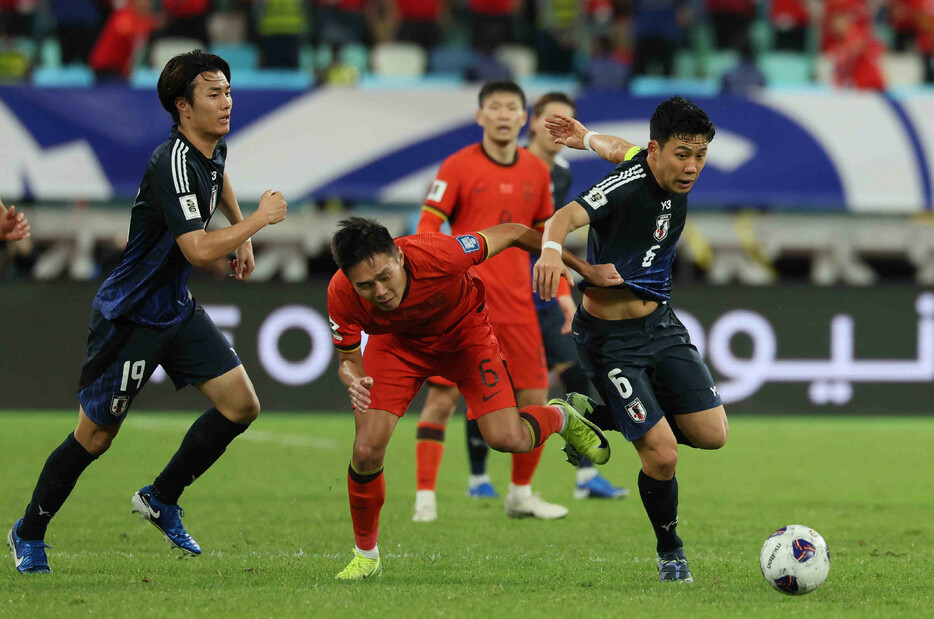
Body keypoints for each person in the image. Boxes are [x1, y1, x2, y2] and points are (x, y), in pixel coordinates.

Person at [7, 49, 289, 574]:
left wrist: (238, 225)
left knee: (242, 405)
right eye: (214, 93)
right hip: (130, 316)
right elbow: (199, 251)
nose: (227, 102)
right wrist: (257, 223)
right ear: (183, 107)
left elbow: (219, 172)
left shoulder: (208, 145)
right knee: (94, 439)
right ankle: (27, 531)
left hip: (174, 309)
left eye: (228, 90)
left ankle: (161, 496)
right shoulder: (172, 163)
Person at [327, 217, 613, 580]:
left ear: (399, 256)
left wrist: (579, 266)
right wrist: (353, 378)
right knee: (366, 451)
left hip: (466, 337)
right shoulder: (341, 292)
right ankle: (366, 556)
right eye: (366, 286)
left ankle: (560, 417)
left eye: (385, 276)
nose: (380, 292)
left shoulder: (438, 253)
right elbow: (348, 360)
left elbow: (512, 232)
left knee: (508, 439)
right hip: (397, 347)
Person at [534, 96, 728, 583]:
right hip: (611, 339)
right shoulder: (626, 185)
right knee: (662, 454)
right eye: (682, 154)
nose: (691, 166)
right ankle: (671, 551)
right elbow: (561, 218)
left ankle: (590, 414)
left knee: (713, 435)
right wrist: (552, 254)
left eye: (700, 155)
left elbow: (619, 148)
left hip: (660, 325)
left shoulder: (657, 165)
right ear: (657, 150)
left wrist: (584, 137)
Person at [412, 80, 566, 523]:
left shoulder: (537, 172)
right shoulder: (458, 166)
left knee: (535, 393)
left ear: (524, 118)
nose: (503, 114)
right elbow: (428, 224)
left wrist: (563, 292)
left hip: (519, 305)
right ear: (480, 116)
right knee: (442, 399)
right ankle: (425, 497)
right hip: (463, 305)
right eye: (494, 107)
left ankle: (520, 493)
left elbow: (545, 241)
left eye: (511, 107)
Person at [526, 92, 628, 500]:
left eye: (567, 122)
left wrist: (567, 291)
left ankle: (585, 477)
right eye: (551, 120)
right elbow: (525, 231)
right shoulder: (516, 167)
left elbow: (546, 233)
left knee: (574, 372)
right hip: (505, 285)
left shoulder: (562, 174)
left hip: (543, 286)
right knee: (480, 384)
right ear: (532, 123)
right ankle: (478, 479)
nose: (558, 130)